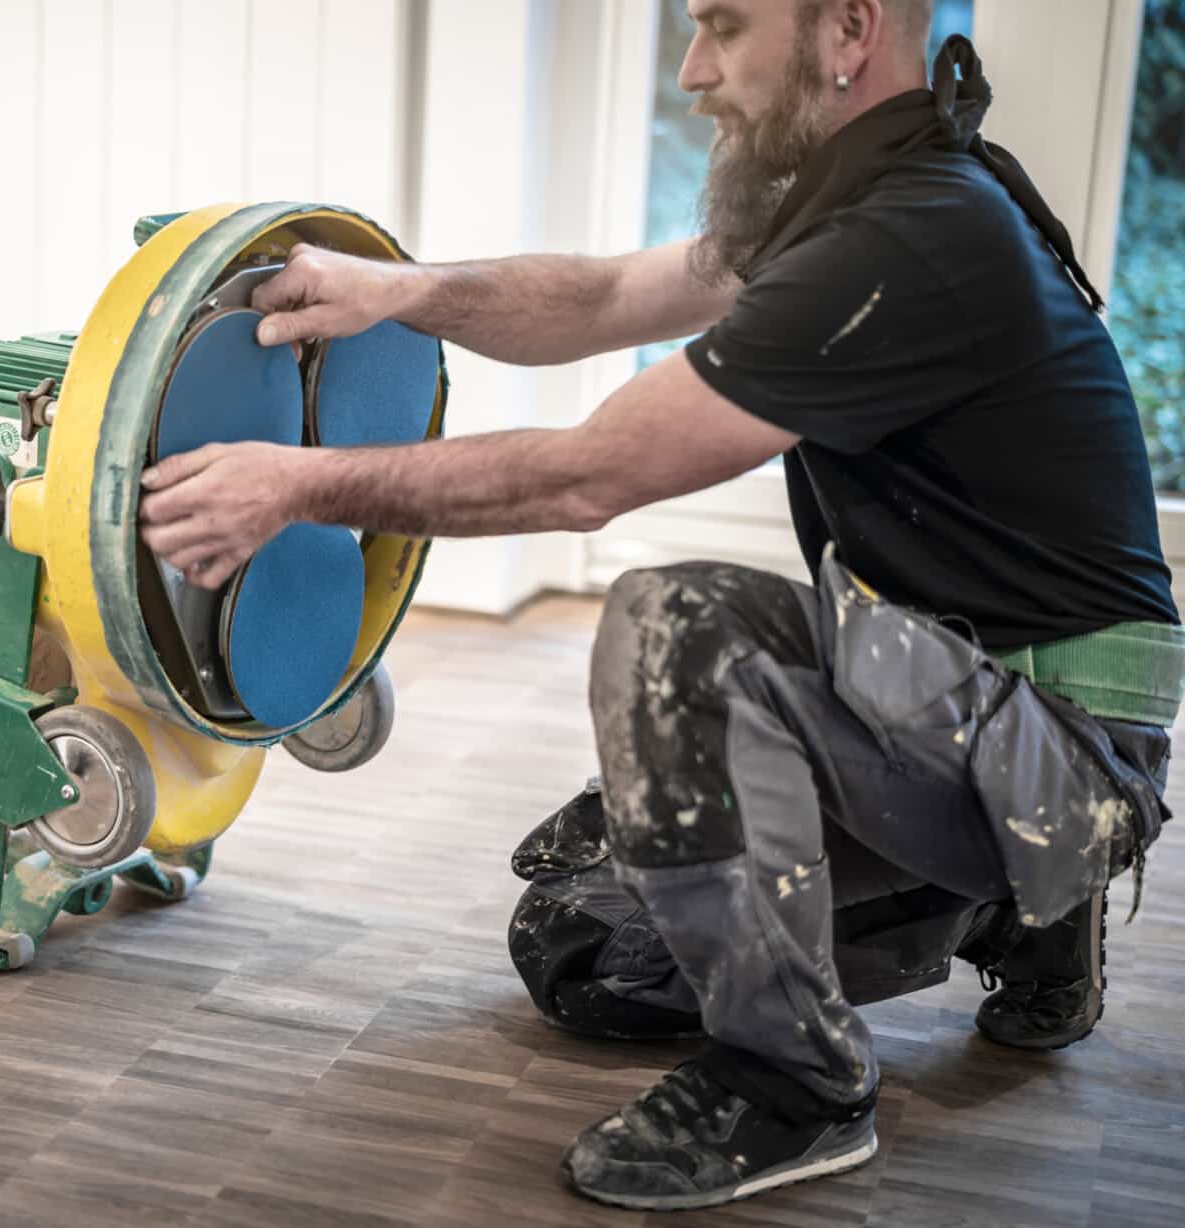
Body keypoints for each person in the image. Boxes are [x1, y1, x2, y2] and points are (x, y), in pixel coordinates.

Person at [137, 0, 1184, 1212]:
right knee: (584, 942)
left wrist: (297, 488)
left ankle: (797, 1086)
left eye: (724, 27)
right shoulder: (857, 199)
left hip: (1065, 747)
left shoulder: (912, 237)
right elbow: (596, 300)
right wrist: (398, 293)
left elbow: (591, 476)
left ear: (848, 30)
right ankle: (1014, 910)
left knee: (674, 629)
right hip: (960, 697)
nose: (692, 72)